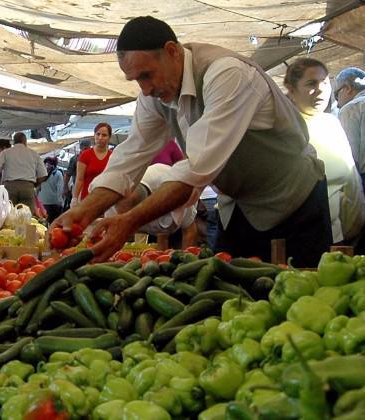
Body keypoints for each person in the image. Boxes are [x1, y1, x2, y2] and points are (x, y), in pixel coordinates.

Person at [53, 16, 331, 266]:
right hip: (238, 209)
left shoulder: (226, 74)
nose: (145, 89)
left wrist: (129, 221)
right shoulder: (155, 95)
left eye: (147, 75)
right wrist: (83, 212)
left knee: (300, 298)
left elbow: (194, 172)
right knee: (232, 300)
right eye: (136, 79)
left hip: (294, 203)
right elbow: (128, 159)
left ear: (172, 51)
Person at [285, 58, 365, 245]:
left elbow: (351, 178)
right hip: (301, 239)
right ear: (292, 90)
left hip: (340, 237)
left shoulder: (331, 124)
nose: (321, 89)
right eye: (311, 83)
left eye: (325, 82)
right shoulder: (285, 128)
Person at [106, 163, 198, 248]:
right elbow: (111, 237)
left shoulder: (176, 192)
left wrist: (185, 259)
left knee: (170, 245)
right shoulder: (112, 204)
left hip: (175, 221)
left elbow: (189, 231)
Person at [0, 132, 47, 212]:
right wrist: (35, 184)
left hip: (10, 187)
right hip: (27, 187)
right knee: (26, 216)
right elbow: (43, 175)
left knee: (9, 215)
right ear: (25, 142)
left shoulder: (6, 153)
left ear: (14, 142)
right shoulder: (34, 154)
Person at [334, 67, 365, 187]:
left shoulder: (351, 108)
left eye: (336, 95)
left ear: (347, 88)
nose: (337, 104)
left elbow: (351, 159)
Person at [72, 123, 113, 205]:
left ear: (109, 137)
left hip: (106, 200)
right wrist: (74, 198)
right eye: (98, 134)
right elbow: (79, 179)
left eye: (104, 135)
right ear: (94, 135)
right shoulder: (85, 155)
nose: (100, 138)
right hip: (86, 199)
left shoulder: (113, 156)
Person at [63, 139, 91, 210]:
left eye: (87, 148)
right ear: (81, 148)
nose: (85, 150)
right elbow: (68, 174)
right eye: (84, 148)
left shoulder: (92, 157)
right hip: (78, 188)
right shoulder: (75, 158)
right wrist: (65, 187)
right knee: (78, 208)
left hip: (91, 187)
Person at [38, 156, 65, 224]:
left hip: (43, 202)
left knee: (44, 222)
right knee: (54, 223)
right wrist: (60, 202)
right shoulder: (58, 173)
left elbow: (38, 188)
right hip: (54, 203)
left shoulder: (42, 174)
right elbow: (60, 189)